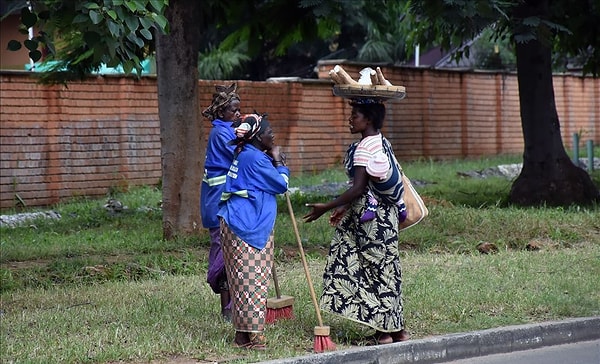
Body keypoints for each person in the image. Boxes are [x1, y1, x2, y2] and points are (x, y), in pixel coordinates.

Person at [303, 99, 410, 345]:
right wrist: (342, 207)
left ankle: (383, 333)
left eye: (355, 115)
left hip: (370, 220)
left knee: (371, 269)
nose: (350, 119)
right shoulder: (382, 141)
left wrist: (326, 206)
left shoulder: (363, 147)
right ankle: (398, 330)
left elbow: (358, 188)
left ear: (368, 119)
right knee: (388, 269)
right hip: (387, 216)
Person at [217, 113, 290, 350]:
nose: (273, 136)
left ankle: (242, 336)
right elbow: (281, 185)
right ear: (258, 137)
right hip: (248, 227)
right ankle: (255, 336)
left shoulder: (246, 153)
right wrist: (280, 163)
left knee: (240, 281)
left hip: (234, 222)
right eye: (270, 133)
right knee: (253, 281)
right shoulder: (257, 160)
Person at [200, 83, 241, 321]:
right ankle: (227, 308)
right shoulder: (222, 132)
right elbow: (239, 153)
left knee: (229, 251)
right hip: (218, 202)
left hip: (223, 199)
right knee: (224, 252)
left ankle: (232, 305)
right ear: (221, 112)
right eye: (233, 110)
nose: (237, 114)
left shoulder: (227, 128)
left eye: (239, 109)